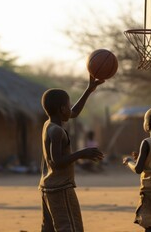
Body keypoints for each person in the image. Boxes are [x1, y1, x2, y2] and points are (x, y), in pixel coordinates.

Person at [39, 75, 104, 232]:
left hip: (47, 187)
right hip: (60, 188)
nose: (71, 109)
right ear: (62, 109)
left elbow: (74, 112)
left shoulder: (49, 124)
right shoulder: (56, 131)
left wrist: (88, 90)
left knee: (49, 229)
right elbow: (56, 162)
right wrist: (82, 153)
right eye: (68, 106)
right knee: (70, 227)